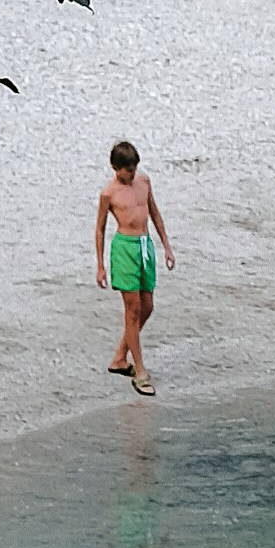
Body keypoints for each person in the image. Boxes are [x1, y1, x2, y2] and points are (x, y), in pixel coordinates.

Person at [94, 136, 174, 386]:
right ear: (116, 169)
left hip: (144, 246)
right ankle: (139, 370)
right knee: (132, 310)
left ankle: (120, 357)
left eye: (134, 169)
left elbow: (155, 213)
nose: (132, 174)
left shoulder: (144, 182)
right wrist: (100, 266)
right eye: (128, 170)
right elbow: (100, 229)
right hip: (124, 249)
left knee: (147, 307)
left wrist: (167, 247)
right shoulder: (109, 193)